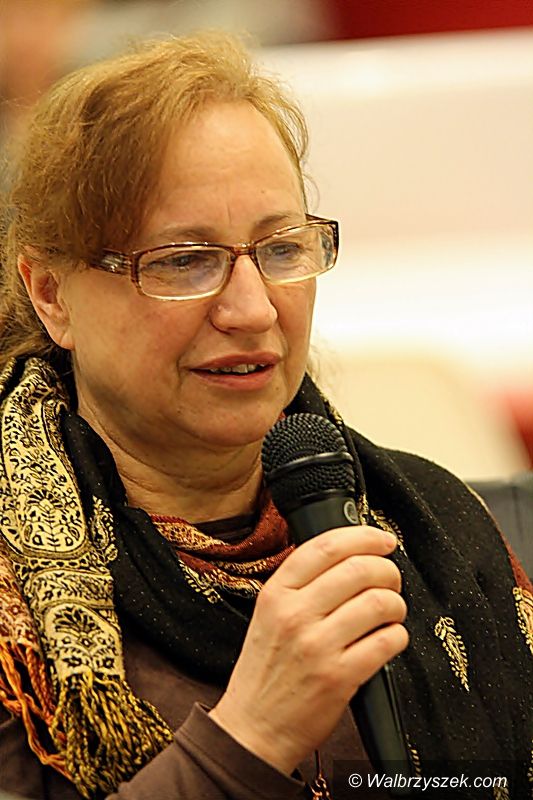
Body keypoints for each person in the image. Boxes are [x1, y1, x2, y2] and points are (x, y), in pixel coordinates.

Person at [0, 32, 531, 800]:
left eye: (281, 250)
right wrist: (252, 733)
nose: (252, 311)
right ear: (51, 293)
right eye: (184, 260)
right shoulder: (15, 597)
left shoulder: (437, 529)